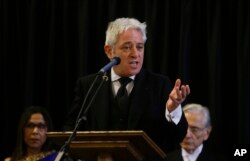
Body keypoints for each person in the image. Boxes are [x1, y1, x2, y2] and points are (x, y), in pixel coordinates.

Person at [63, 17, 191, 155]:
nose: (135, 54)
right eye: (127, 47)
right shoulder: (89, 85)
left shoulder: (159, 85)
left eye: (140, 47)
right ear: (109, 51)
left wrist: (173, 110)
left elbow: (177, 137)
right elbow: (71, 131)